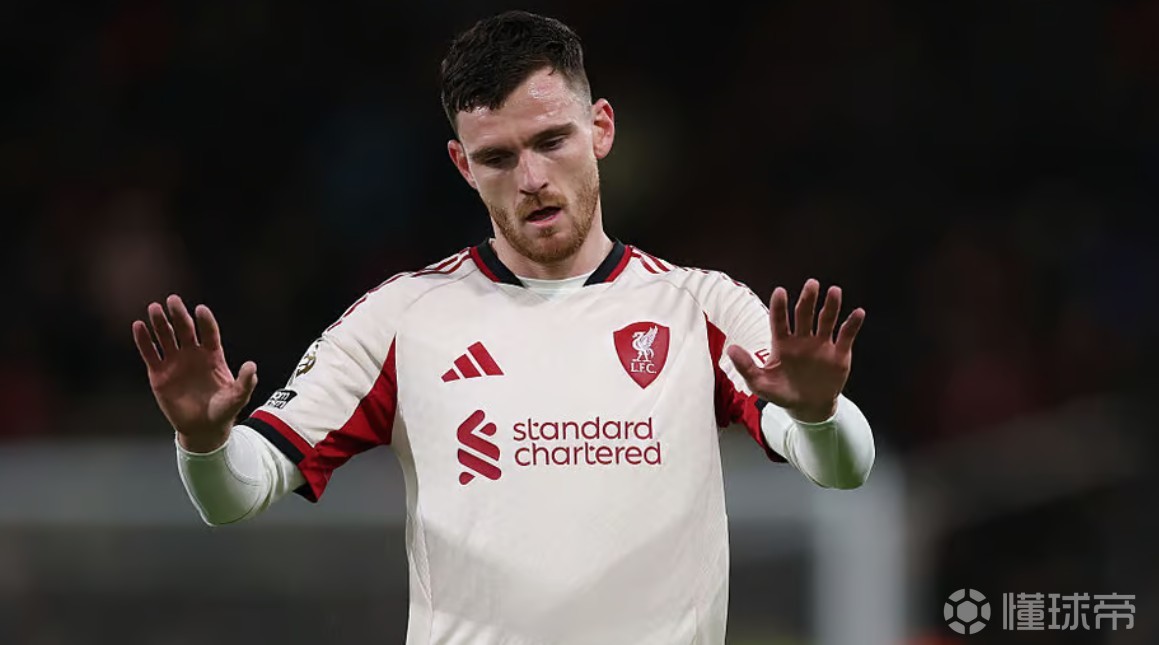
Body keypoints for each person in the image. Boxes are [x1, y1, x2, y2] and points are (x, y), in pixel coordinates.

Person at [131, 10, 875, 644]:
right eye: (497, 157)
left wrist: (816, 414)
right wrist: (203, 442)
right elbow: (234, 494)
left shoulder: (699, 309)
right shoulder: (402, 319)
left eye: (551, 141)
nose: (530, 179)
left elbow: (844, 467)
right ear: (462, 165)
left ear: (601, 127)